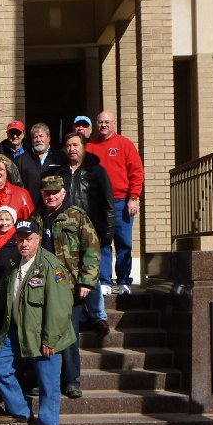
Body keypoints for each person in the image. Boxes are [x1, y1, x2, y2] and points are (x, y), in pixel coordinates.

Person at [0, 220, 75, 425]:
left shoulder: (51, 265)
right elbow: (2, 297)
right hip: (18, 331)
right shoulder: (15, 265)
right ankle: (21, 411)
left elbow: (60, 307)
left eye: (29, 238)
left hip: (44, 335)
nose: (24, 243)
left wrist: (50, 339)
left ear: (38, 239)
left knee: (48, 386)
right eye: (20, 239)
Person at [31, 176, 100, 399]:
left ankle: (71, 380)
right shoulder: (37, 218)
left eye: (54, 192)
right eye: (46, 192)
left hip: (70, 287)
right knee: (42, 334)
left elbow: (91, 250)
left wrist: (86, 281)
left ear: (63, 193)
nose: (50, 196)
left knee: (69, 336)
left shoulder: (77, 217)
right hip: (42, 287)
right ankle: (42, 380)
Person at [57, 132, 115, 337]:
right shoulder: (61, 173)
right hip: (65, 233)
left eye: (75, 145)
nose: (72, 149)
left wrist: (107, 233)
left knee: (92, 274)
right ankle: (80, 316)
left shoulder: (97, 171)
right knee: (71, 274)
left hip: (91, 231)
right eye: (68, 145)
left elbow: (108, 204)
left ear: (84, 147)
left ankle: (98, 315)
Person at [87, 110, 144, 295]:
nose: (103, 125)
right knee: (103, 242)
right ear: (97, 124)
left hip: (121, 201)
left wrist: (133, 197)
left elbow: (136, 172)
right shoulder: (90, 147)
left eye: (107, 122)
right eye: (100, 122)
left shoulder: (124, 144)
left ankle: (124, 281)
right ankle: (105, 280)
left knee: (124, 242)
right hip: (99, 203)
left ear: (114, 124)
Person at [15, 122, 67, 206]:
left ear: (48, 138)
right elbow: (17, 186)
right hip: (30, 207)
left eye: (41, 136)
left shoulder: (60, 158)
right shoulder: (21, 160)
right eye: (35, 137)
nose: (38, 140)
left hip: (54, 206)